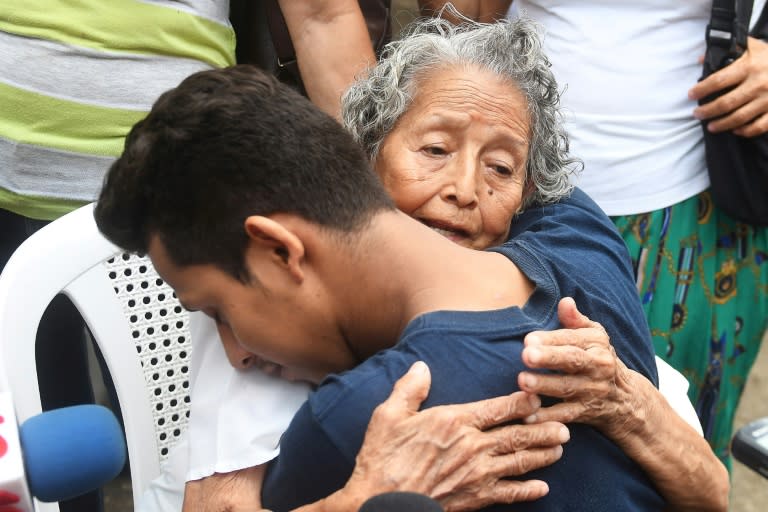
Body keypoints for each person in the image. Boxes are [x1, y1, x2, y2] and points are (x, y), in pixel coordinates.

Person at [147, 13, 727, 512]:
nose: (464, 189)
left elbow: (714, 492)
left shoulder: (573, 245)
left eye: (501, 168)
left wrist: (629, 404)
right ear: (363, 161)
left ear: (529, 195)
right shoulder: (259, 313)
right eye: (434, 150)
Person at [421, 0, 768, 468]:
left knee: (680, 444)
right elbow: (455, 18)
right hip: (503, 198)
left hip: (695, 205)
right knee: (500, 428)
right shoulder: (462, 192)